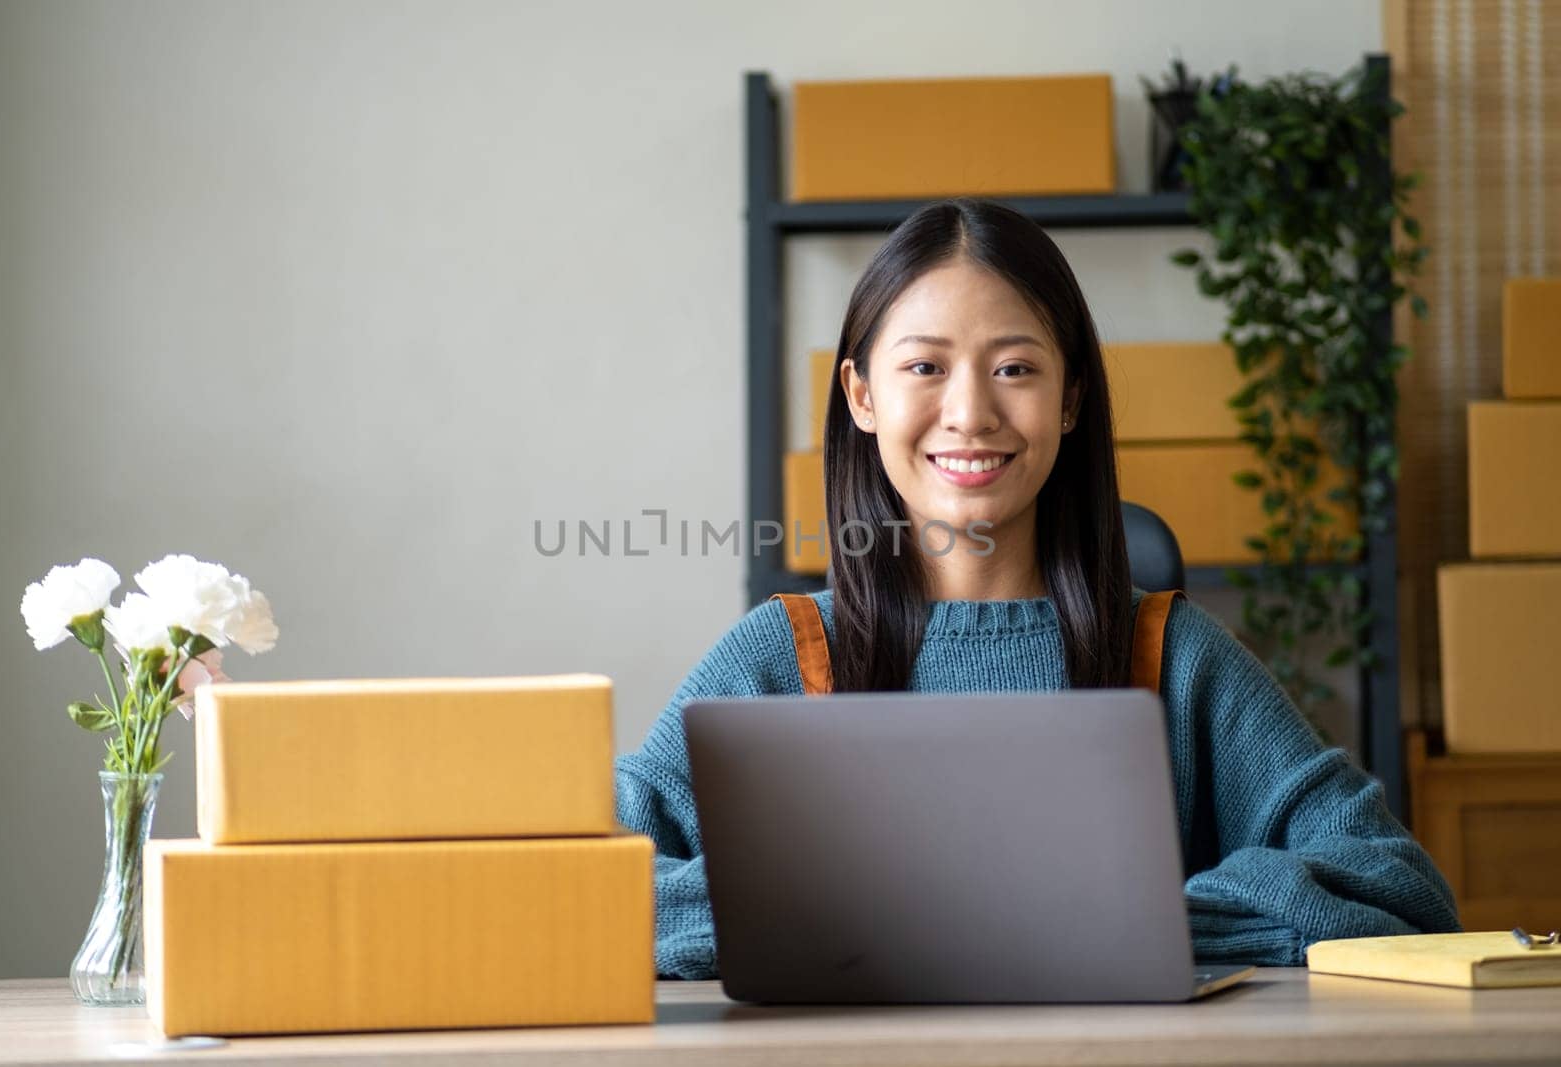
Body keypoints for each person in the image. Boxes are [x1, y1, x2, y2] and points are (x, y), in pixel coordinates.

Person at [614, 198, 1460, 980]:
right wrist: (849, 913)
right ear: (862, 395)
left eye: (1015, 368)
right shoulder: (788, 655)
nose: (972, 411)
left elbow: (1394, 886)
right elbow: (585, 874)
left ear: (1071, 398)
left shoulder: (1168, 655)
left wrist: (1131, 924)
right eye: (925, 368)